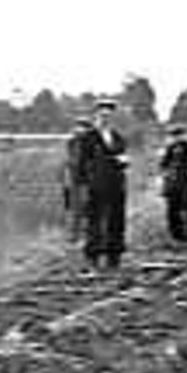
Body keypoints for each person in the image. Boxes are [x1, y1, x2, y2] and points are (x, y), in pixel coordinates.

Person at [78, 98, 128, 268]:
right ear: (96, 116)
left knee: (116, 220)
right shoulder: (87, 138)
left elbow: (122, 157)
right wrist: (84, 185)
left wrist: (123, 162)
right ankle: (93, 256)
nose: (105, 118)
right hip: (95, 185)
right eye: (102, 115)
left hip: (116, 184)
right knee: (94, 221)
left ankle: (114, 256)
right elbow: (80, 163)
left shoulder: (118, 137)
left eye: (108, 115)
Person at [159, 123, 187, 242]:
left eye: (179, 134)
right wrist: (166, 179)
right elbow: (163, 165)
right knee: (173, 209)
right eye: (174, 135)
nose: (177, 137)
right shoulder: (169, 149)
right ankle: (177, 235)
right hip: (173, 182)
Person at [63, 115, 94, 242]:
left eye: (83, 126)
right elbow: (69, 161)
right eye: (78, 126)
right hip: (74, 178)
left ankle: (86, 234)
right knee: (74, 208)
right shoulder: (71, 142)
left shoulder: (91, 143)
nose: (80, 129)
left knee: (86, 206)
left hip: (87, 179)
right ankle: (74, 235)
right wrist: (67, 179)